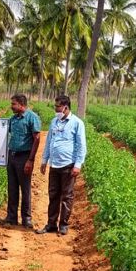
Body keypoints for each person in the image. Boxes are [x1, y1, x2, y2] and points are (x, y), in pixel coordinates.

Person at [36, 95, 87, 236]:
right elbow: (49, 142)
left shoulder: (77, 123)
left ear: (65, 107)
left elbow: (81, 146)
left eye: (57, 106)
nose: (55, 109)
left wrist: (78, 165)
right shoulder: (54, 122)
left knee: (67, 196)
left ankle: (63, 225)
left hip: (68, 165)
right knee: (53, 195)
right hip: (54, 165)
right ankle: (51, 224)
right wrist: (44, 160)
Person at [3, 94, 41, 228]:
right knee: (12, 187)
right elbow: (0, 130)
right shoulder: (13, 119)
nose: (11, 106)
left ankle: (26, 218)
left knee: (25, 188)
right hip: (12, 156)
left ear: (21, 104)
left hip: (24, 157)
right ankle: (11, 217)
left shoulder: (32, 117)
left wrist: (30, 160)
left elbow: (36, 139)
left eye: (13, 104)